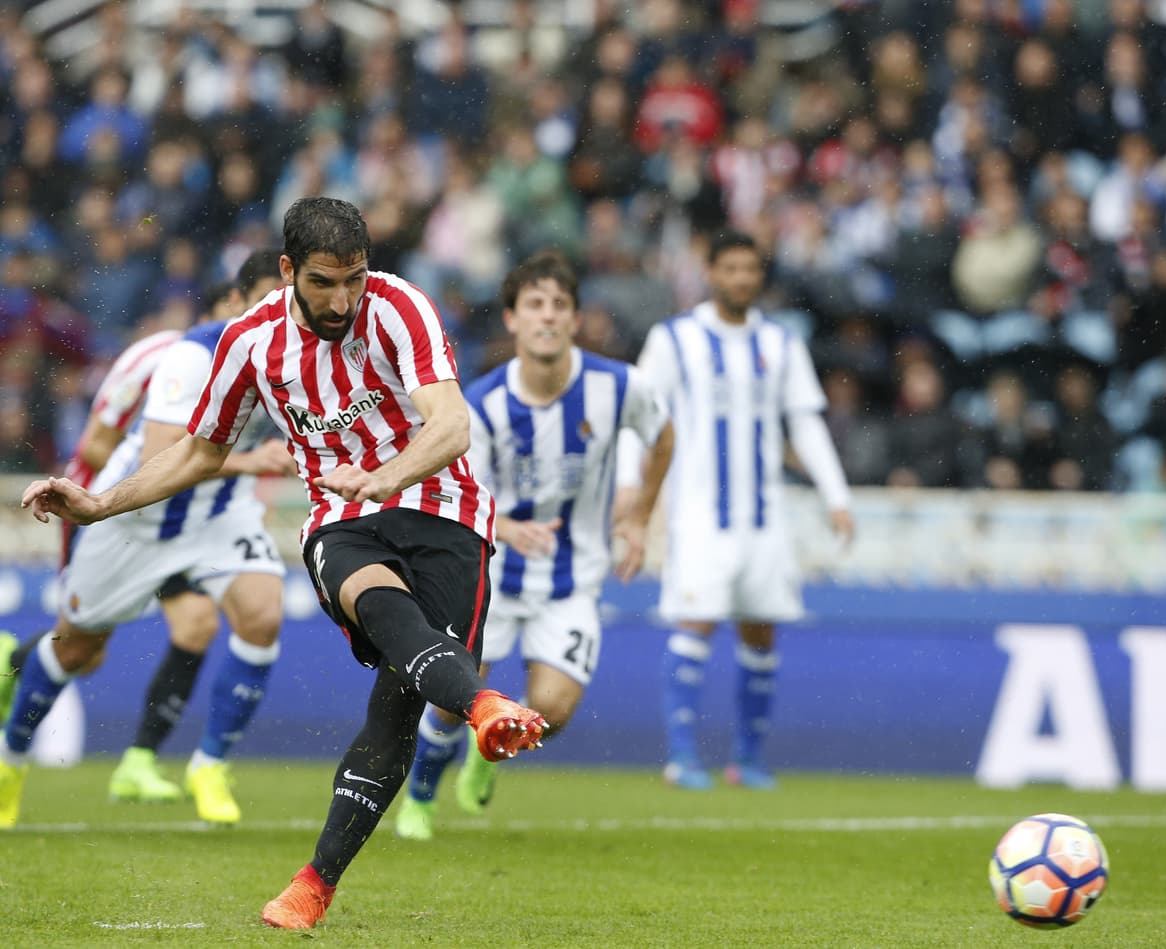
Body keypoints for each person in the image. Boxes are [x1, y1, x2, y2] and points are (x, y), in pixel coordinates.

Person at [16, 196, 547, 931]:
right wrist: (101, 502)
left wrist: (385, 476)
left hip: (445, 510)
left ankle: (314, 883)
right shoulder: (249, 341)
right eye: (324, 282)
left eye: (354, 279)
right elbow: (200, 452)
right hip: (341, 518)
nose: (342, 300)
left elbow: (452, 423)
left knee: (397, 710)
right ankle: (482, 703)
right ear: (289, 269)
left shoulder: (401, 306)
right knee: (371, 594)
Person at [393, 250, 673, 841]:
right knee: (451, 701)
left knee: (554, 711)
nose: (547, 315)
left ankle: (487, 755)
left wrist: (640, 516)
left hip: (572, 579)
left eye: (559, 305)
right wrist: (505, 527)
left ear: (575, 318)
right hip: (490, 575)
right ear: (512, 319)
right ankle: (420, 795)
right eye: (534, 304)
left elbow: (664, 435)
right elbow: (461, 490)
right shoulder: (484, 405)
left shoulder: (619, 386)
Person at [0, 274, 297, 827]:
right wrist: (252, 462)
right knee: (79, 650)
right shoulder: (184, 354)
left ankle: (204, 765)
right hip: (133, 516)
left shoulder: (300, 357)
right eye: (265, 300)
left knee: (256, 615)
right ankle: (10, 760)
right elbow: (147, 452)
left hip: (215, 519)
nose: (277, 312)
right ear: (235, 301)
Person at [636, 230, 855, 791]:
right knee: (695, 623)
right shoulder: (674, 339)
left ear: (761, 276)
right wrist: (633, 498)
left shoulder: (781, 342)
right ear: (711, 272)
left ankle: (748, 760)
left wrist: (836, 496)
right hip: (699, 514)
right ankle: (682, 757)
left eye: (750, 269)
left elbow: (804, 422)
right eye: (730, 268)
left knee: (761, 632)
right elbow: (640, 418)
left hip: (764, 518)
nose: (741, 278)